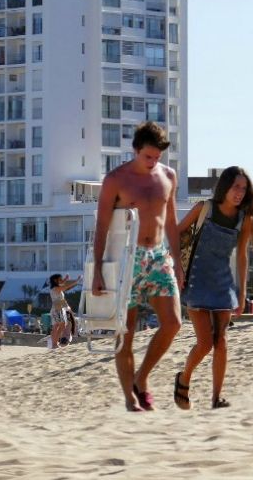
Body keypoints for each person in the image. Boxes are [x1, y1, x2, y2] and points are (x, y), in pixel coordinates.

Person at [92, 121, 184, 412]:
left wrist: (179, 262)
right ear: (135, 150)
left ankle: (141, 378)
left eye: (157, 157)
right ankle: (130, 400)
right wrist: (97, 269)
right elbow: (102, 226)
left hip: (157, 256)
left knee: (173, 323)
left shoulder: (168, 176)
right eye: (148, 156)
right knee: (126, 331)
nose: (153, 162)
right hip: (125, 259)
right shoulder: (116, 179)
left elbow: (170, 222)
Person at [175, 166, 253, 410]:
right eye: (236, 187)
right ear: (225, 186)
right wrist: (178, 268)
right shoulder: (204, 208)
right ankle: (184, 378)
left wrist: (242, 293)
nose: (239, 193)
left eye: (244, 189)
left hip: (223, 284)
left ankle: (216, 398)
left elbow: (242, 258)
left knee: (221, 341)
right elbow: (175, 232)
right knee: (204, 343)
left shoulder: (244, 220)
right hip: (196, 281)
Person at [48, 274, 80, 350]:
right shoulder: (56, 288)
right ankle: (54, 344)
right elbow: (65, 287)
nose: (61, 280)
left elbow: (63, 284)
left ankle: (54, 344)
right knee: (60, 326)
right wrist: (76, 282)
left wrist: (66, 279)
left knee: (57, 326)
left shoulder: (54, 288)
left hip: (58, 308)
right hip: (58, 309)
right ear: (55, 280)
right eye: (59, 279)